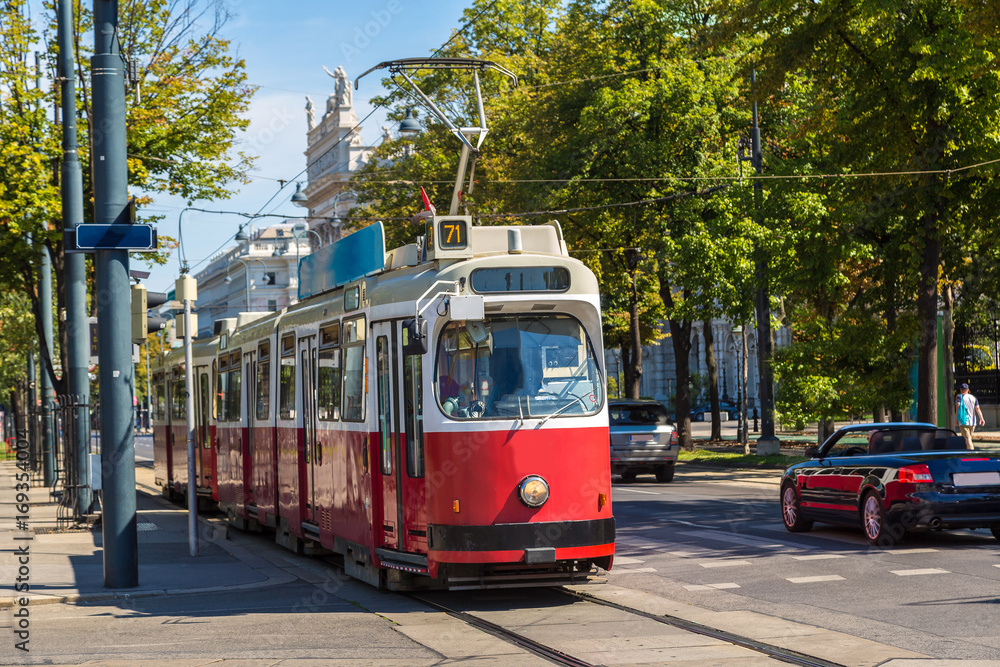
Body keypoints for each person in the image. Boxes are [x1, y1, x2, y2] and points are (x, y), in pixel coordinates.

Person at [956, 383, 985, 450]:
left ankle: (972, 454)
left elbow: (958, 406)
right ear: (968, 390)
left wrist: (956, 420)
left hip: (963, 421)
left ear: (960, 390)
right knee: (968, 440)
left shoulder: (959, 397)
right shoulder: (973, 398)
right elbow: (977, 408)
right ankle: (968, 454)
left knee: (968, 440)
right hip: (972, 422)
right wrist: (981, 418)